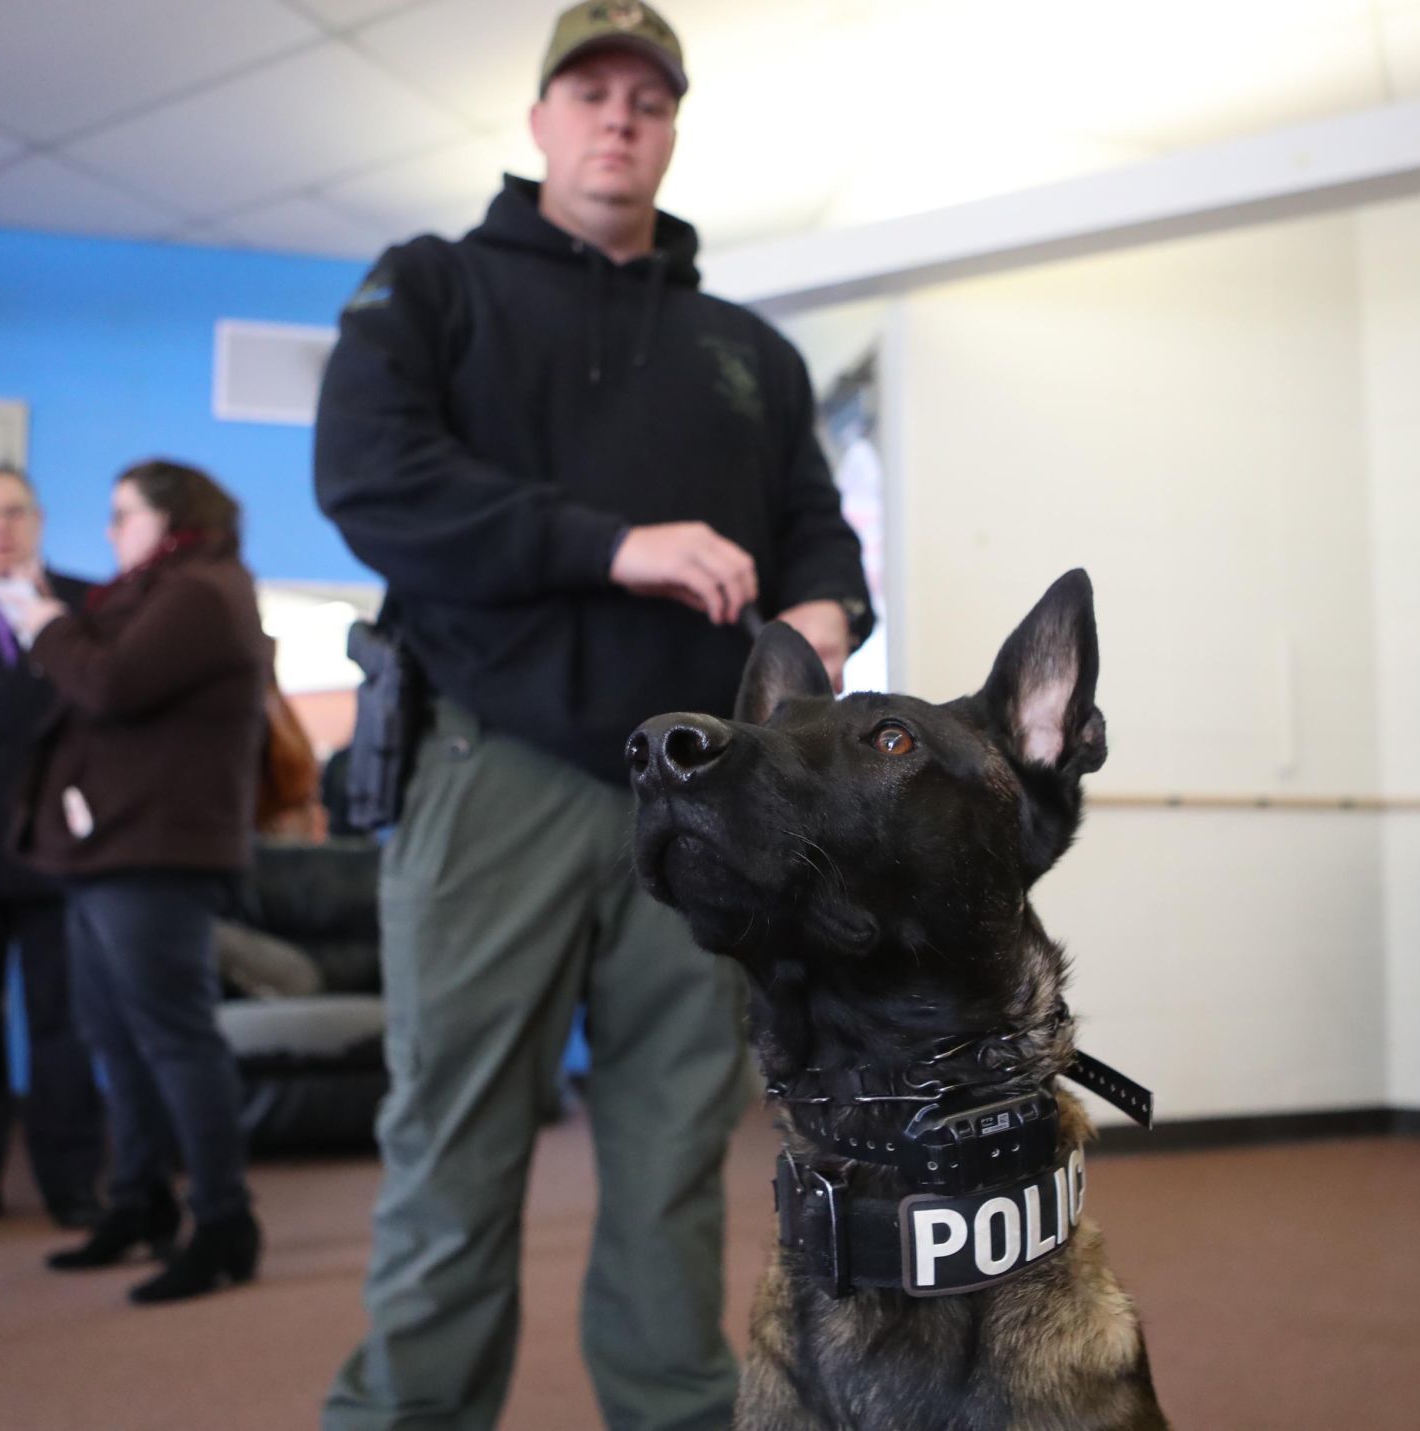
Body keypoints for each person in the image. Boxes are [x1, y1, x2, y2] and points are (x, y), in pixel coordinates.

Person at [313, 3, 873, 1427]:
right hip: (493, 764)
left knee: (678, 1142)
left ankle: (673, 1410)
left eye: (649, 97)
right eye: (591, 91)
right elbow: (372, 479)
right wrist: (612, 542)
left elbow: (816, 528)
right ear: (540, 118)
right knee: (454, 1140)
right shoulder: (431, 287)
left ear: (674, 127)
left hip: (706, 804)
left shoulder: (748, 347)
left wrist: (824, 616)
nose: (620, 117)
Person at [0, 459, 268, 1304]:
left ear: (171, 518)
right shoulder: (158, 590)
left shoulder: (199, 590)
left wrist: (41, 620)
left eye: (123, 515)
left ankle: (225, 1221)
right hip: (106, 851)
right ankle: (141, 1202)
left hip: (154, 853)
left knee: (173, 1039)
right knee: (114, 1037)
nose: (110, 531)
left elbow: (109, 684)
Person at [0, 464, 104, 1228]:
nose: (1, 527)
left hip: (62, 852)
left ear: (40, 518)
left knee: (64, 1022)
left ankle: (73, 1186)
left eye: (15, 511)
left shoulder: (90, 605)